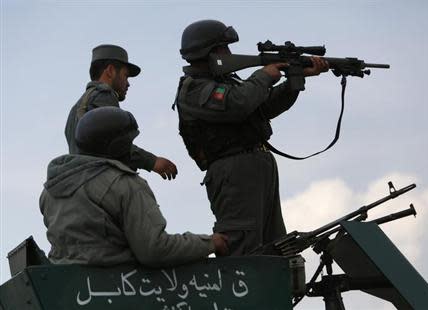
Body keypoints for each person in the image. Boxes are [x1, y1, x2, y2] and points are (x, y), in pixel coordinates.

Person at [174, 20, 329, 255]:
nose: (229, 54)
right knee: (243, 248)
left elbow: (262, 108)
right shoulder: (194, 88)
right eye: (223, 49)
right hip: (233, 173)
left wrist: (294, 81)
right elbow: (239, 103)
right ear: (208, 53)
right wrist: (264, 76)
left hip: (256, 167)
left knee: (275, 248)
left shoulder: (227, 82)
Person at [40, 107, 229, 267]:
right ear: (118, 146)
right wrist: (210, 243)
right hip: (120, 289)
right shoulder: (125, 185)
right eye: (128, 142)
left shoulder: (50, 191)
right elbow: (154, 249)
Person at [65, 44, 177, 180]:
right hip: (102, 180)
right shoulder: (104, 95)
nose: (128, 83)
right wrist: (152, 161)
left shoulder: (76, 108)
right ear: (111, 71)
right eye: (126, 76)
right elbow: (115, 144)